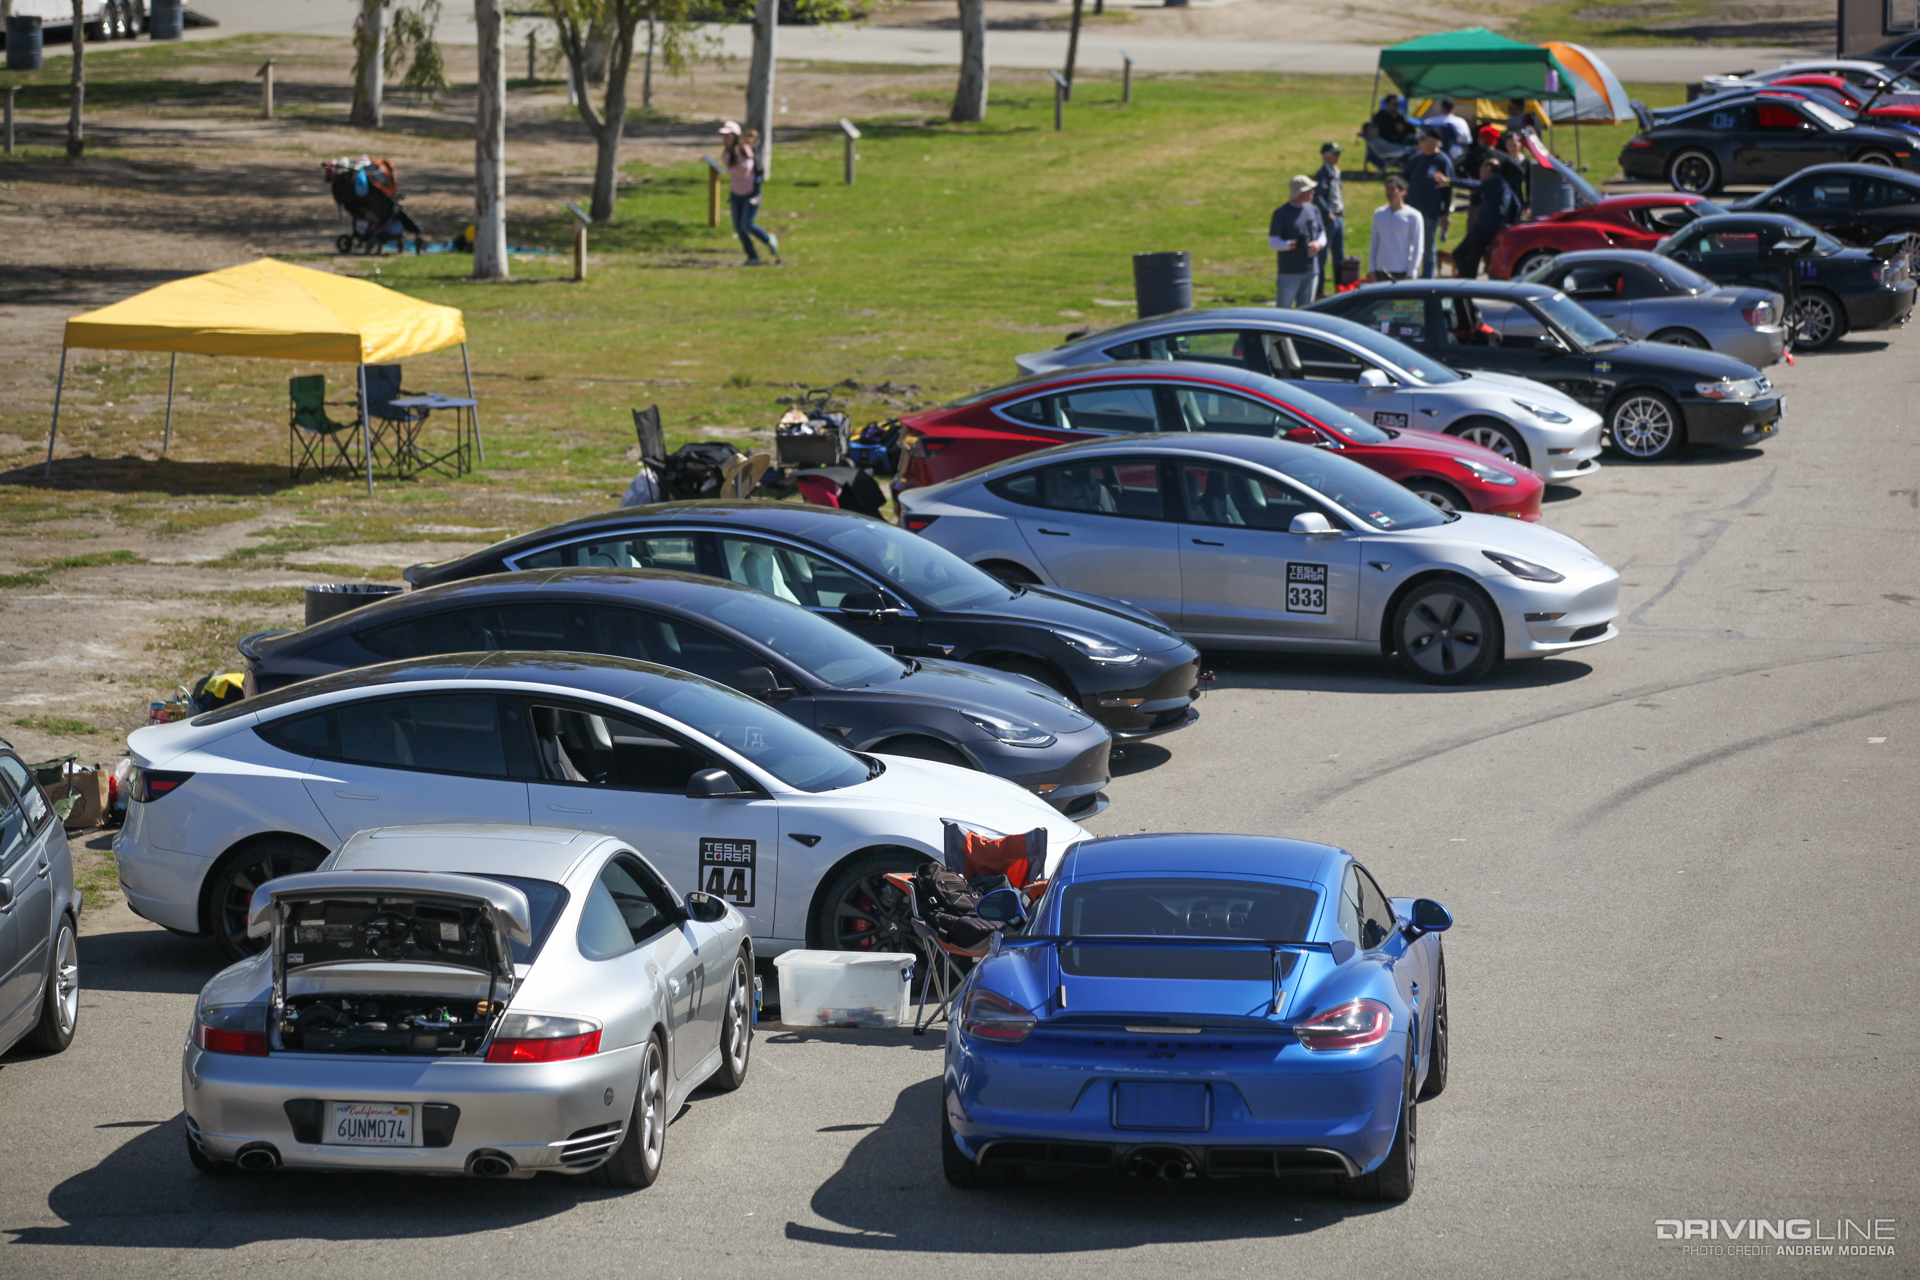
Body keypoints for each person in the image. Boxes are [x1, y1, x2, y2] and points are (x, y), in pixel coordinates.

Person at [1451, 156, 1524, 280]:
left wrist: (1448, 181)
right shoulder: (1504, 184)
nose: (1480, 172)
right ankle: (1465, 281)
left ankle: (1466, 287)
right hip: (1489, 228)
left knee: (1469, 258)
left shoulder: (1494, 183)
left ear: (1488, 169)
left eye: (1482, 168)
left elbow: (1473, 184)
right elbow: (1517, 205)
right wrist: (1509, 223)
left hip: (1483, 228)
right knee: (1461, 254)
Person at [720, 120, 779, 266]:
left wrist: (737, 157)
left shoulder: (745, 150)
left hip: (751, 193)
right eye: (723, 136)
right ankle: (752, 256)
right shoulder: (726, 153)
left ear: (735, 136)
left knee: (746, 224)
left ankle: (767, 239)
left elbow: (744, 170)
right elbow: (732, 170)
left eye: (728, 135)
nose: (725, 138)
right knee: (739, 228)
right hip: (736, 194)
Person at [1268, 174, 1327, 309]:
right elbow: (1273, 242)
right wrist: (1291, 245)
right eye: (1309, 189)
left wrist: (1318, 244)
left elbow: (1323, 234)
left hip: (1312, 271)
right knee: (1283, 310)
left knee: (1306, 312)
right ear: (1300, 192)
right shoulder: (1281, 213)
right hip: (1289, 272)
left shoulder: (1314, 210)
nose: (1313, 192)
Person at [1403, 130, 1453, 279]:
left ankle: (1427, 281)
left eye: (1424, 139)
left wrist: (1445, 214)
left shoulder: (1442, 161)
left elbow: (1448, 189)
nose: (1420, 142)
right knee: (1409, 247)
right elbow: (1404, 180)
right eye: (1420, 139)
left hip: (1430, 211)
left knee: (1427, 248)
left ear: (1435, 141)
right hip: (1411, 210)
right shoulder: (1416, 159)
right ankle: (1410, 277)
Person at [1369, 176, 1423, 281]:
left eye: (1393, 189)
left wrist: (1411, 272)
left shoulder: (1413, 216)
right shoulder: (1379, 214)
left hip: (1402, 270)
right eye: (1387, 189)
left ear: (1403, 192)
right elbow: (1374, 243)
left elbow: (1418, 247)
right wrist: (1372, 269)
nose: (1389, 193)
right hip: (1381, 270)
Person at [1311, 142, 1346, 299]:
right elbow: (1317, 196)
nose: (1338, 156)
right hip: (1329, 219)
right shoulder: (1322, 174)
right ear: (1325, 155)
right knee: (1323, 256)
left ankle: (1341, 287)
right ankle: (1319, 289)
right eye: (1335, 153)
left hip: (1339, 218)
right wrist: (1327, 212)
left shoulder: (1336, 172)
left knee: (1340, 255)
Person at [1367, 94, 1416, 170]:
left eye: (1398, 105)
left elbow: (1410, 129)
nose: (1396, 107)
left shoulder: (1399, 117)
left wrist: (1406, 131)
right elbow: (1383, 132)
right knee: (1413, 150)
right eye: (1394, 105)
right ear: (1387, 105)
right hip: (1390, 145)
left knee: (1418, 143)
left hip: (1402, 142)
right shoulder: (1381, 116)